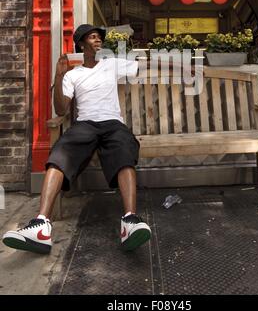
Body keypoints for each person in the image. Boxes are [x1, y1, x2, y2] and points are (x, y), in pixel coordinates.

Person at [2, 24, 151, 254]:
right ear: (81, 44)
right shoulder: (73, 74)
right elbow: (61, 110)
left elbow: (143, 65)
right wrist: (59, 74)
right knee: (59, 155)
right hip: (85, 125)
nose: (98, 40)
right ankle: (41, 224)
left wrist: (182, 64)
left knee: (123, 151)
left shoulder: (111, 64)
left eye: (99, 37)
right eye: (92, 37)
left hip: (112, 124)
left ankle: (129, 222)